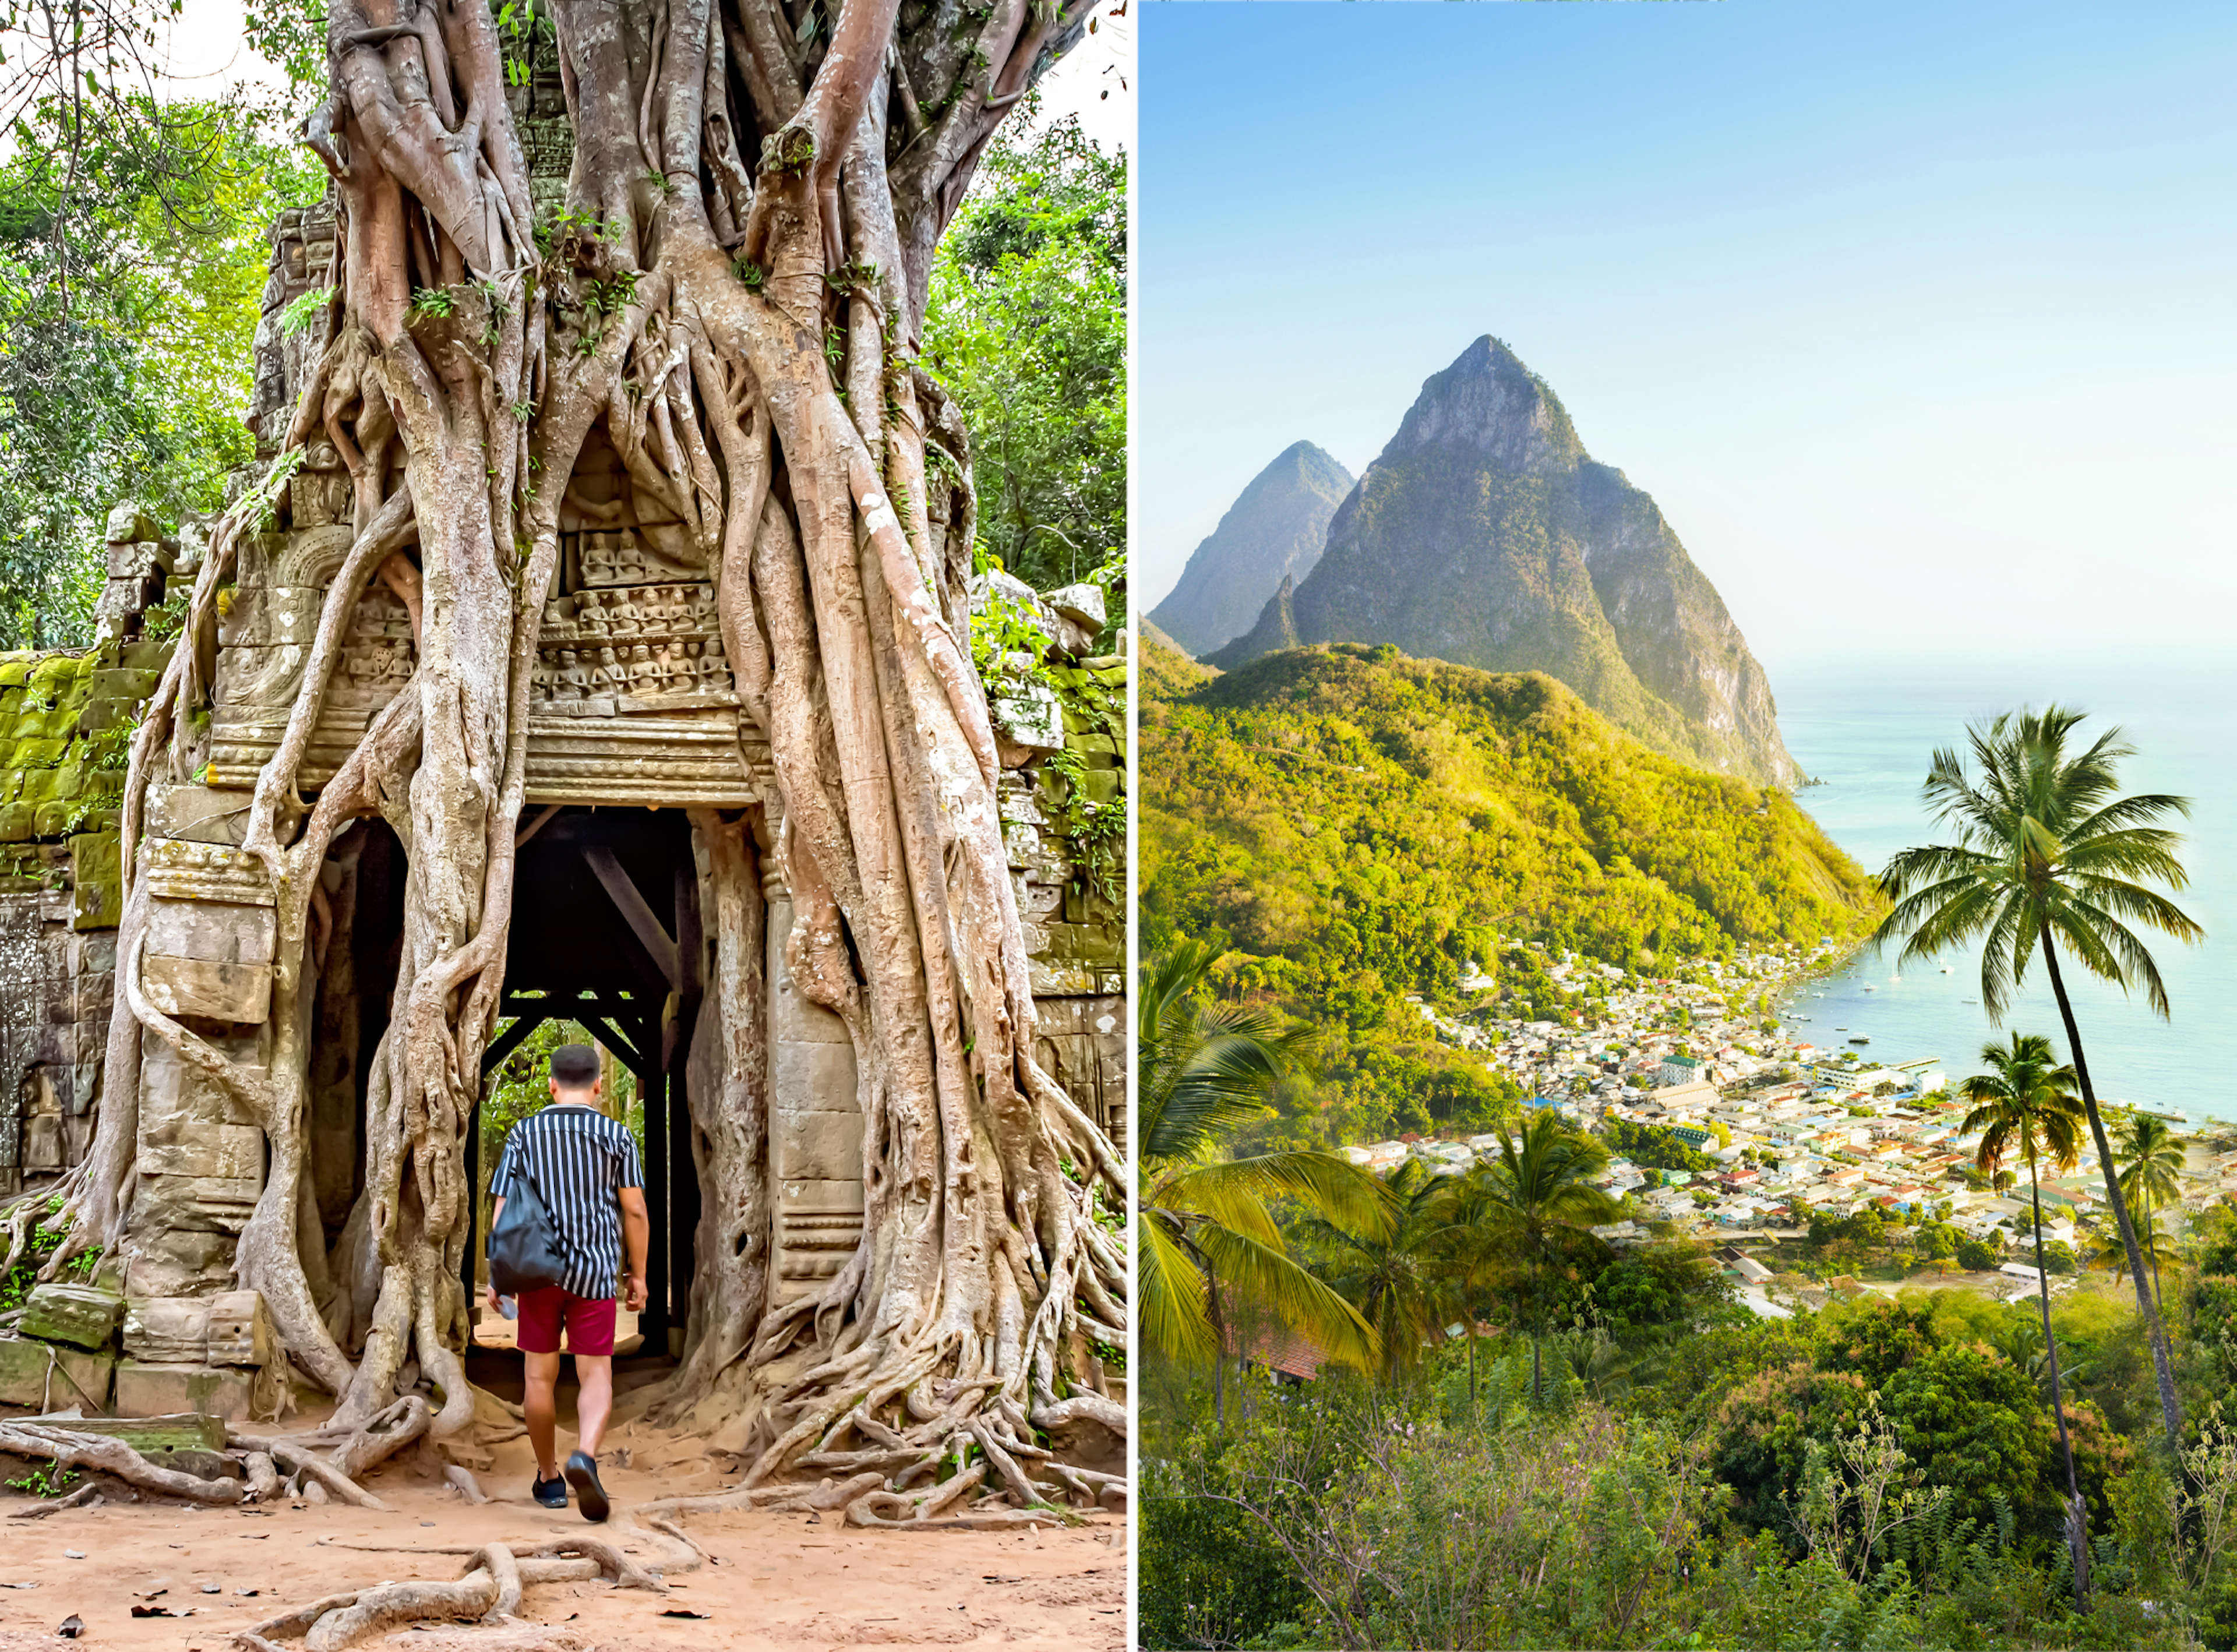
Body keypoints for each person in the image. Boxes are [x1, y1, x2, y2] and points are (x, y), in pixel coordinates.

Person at [485, 1044, 648, 1519]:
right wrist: (637, 1274)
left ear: (552, 1085)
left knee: (539, 1376)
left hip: (536, 1272)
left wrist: (500, 1273)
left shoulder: (524, 1133)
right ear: (599, 1085)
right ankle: (587, 1456)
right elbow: (634, 1209)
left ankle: (549, 1477)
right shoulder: (616, 1136)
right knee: (595, 1371)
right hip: (594, 1270)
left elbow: (502, 1208)